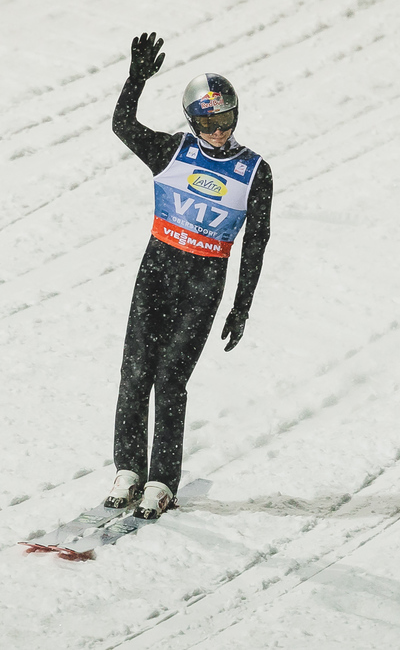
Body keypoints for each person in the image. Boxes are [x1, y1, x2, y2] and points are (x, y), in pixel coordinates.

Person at [105, 32, 273, 520]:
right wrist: (136, 79)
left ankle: (162, 481)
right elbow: (122, 125)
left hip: (202, 285)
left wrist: (241, 306)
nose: (220, 130)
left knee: (171, 379)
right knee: (135, 374)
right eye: (209, 122)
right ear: (193, 121)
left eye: (227, 120)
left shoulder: (255, 171)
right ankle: (128, 469)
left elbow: (256, 243)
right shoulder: (172, 151)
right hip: (156, 275)